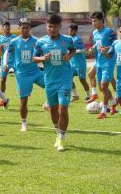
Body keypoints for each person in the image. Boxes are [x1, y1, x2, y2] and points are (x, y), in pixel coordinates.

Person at [33, 14, 76, 151]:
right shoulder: (41, 42)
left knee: (63, 109)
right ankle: (58, 131)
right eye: (50, 27)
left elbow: (73, 50)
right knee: (53, 109)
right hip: (50, 80)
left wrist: (69, 56)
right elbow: (34, 58)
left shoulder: (67, 40)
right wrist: (42, 58)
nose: (52, 29)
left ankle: (61, 138)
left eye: (55, 27)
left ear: (59, 27)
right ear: (47, 26)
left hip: (65, 78)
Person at [5, 18, 45, 131]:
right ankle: (24, 123)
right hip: (22, 74)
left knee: (51, 86)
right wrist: (5, 64)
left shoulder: (37, 41)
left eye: (27, 27)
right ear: (19, 29)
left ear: (30, 28)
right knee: (23, 100)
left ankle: (47, 104)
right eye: (22, 27)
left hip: (36, 71)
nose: (25, 29)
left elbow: (43, 53)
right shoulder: (14, 41)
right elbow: (7, 52)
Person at [90, 12, 117, 119]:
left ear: (102, 20)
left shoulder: (109, 32)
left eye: (95, 21)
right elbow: (98, 44)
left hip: (108, 61)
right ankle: (114, 102)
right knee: (101, 88)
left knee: (104, 85)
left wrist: (108, 49)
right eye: (92, 21)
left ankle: (104, 111)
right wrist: (93, 48)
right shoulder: (94, 33)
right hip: (99, 62)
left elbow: (115, 44)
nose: (93, 23)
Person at [106, 24, 121, 118]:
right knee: (120, 98)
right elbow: (109, 55)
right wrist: (103, 52)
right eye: (120, 31)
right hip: (119, 76)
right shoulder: (115, 43)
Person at [0, 21, 15, 106]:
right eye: (6, 26)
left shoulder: (14, 37)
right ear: (2, 28)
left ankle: (25, 91)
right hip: (4, 61)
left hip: (14, 60)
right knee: (3, 79)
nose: (7, 27)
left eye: (8, 26)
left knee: (20, 77)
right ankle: (2, 98)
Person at [68, 24, 90, 101]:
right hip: (72, 63)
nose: (69, 32)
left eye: (71, 30)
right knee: (68, 78)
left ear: (75, 31)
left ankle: (88, 96)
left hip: (80, 63)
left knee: (82, 80)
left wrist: (73, 52)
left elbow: (83, 50)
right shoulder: (69, 39)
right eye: (69, 30)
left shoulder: (77, 39)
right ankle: (75, 95)